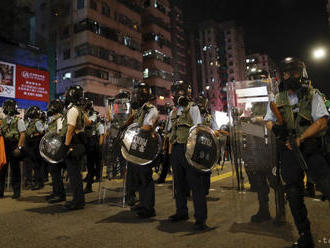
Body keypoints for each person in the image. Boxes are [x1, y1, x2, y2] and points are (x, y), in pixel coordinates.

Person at [264, 57, 330, 248]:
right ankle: (304, 235)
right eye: (286, 73)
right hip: (289, 151)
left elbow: (321, 121)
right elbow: (268, 119)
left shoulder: (312, 94)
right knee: (293, 193)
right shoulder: (278, 99)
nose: (290, 77)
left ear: (301, 74)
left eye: (294, 73)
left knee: (326, 185)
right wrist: (276, 129)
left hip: (310, 148)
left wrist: (301, 138)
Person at [167, 81, 210, 231]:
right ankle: (181, 212)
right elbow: (170, 132)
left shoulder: (193, 108)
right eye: (176, 91)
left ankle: (200, 219)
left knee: (195, 184)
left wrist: (191, 151)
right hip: (177, 150)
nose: (178, 94)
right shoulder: (172, 112)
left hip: (189, 149)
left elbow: (197, 129)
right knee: (178, 184)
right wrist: (170, 153)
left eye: (181, 90)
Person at [123, 82, 159, 218]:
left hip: (146, 148)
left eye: (138, 94)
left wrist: (132, 130)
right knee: (138, 177)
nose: (136, 97)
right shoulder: (140, 110)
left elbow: (147, 127)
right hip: (138, 146)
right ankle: (143, 203)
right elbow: (133, 121)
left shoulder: (151, 109)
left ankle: (149, 208)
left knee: (145, 177)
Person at [60, 85, 89, 210]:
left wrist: (66, 146)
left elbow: (70, 129)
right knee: (76, 174)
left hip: (73, 145)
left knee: (74, 175)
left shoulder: (73, 110)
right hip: (79, 145)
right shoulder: (79, 110)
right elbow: (87, 122)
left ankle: (77, 202)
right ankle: (79, 200)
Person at [0, 99, 26, 199]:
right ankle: (0, 191)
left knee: (15, 170)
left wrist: (19, 147)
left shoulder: (19, 120)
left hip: (14, 145)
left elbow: (22, 134)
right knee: (2, 169)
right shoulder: (4, 121)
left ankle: (16, 192)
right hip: (5, 145)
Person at [44, 99, 66, 203]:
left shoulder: (60, 119)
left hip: (57, 149)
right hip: (51, 148)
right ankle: (55, 192)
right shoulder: (53, 119)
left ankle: (60, 194)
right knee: (53, 172)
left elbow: (59, 134)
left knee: (56, 172)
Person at [24, 106, 45, 190]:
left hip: (35, 144)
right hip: (30, 144)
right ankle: (36, 181)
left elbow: (42, 132)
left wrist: (33, 135)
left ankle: (39, 183)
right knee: (34, 164)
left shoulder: (37, 122)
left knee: (37, 165)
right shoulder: (31, 122)